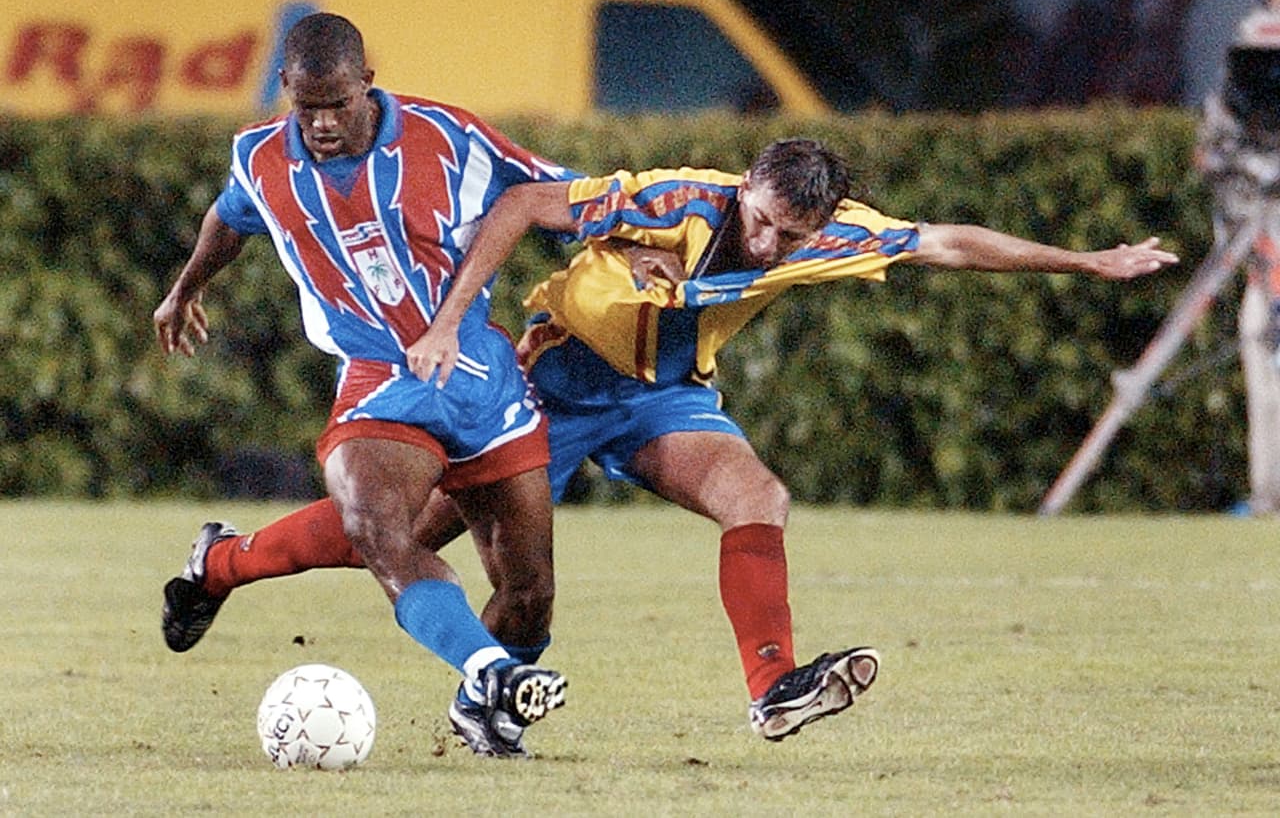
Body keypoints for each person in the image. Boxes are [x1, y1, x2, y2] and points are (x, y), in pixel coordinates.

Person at [161, 138, 1178, 747]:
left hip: (661, 402)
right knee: (393, 534)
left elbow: (947, 241)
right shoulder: (668, 198)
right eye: (765, 220)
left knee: (758, 497)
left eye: (794, 233)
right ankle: (221, 560)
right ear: (744, 187)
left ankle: (771, 685)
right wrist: (458, 315)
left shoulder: (834, 233)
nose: (772, 245)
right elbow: (522, 203)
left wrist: (1085, 262)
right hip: (546, 388)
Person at [152, 12, 569, 759]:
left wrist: (647, 247)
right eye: (305, 106)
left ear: (367, 84)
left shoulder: (448, 138)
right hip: (378, 376)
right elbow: (229, 216)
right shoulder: (260, 156)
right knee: (378, 527)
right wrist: (183, 289)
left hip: (480, 373)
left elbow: (558, 195)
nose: (320, 122)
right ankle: (491, 673)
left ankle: (218, 564)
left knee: (530, 594)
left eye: (338, 103)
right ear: (284, 87)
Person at [1195, 0, 1280, 516]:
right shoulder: (1236, 98)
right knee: (1264, 370)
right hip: (1263, 259)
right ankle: (1269, 498)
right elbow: (1216, 166)